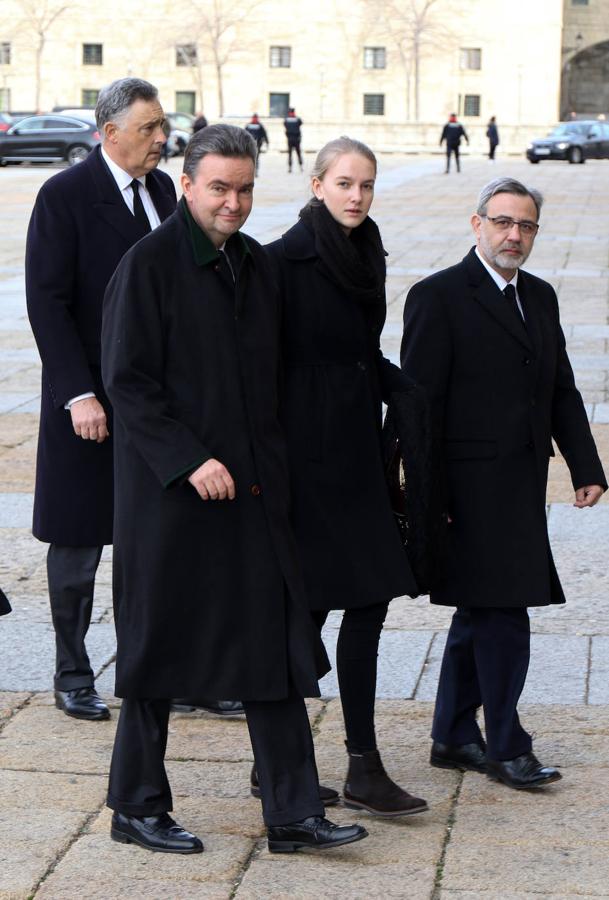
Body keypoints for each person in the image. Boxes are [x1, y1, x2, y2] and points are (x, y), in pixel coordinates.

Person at [101, 124, 368, 855]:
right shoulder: (148, 264)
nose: (233, 203)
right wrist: (189, 460)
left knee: (273, 649)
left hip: (253, 499)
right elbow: (126, 382)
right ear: (186, 184)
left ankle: (291, 814)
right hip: (172, 505)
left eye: (245, 189)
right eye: (219, 187)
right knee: (159, 653)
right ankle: (135, 805)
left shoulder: (254, 264)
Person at [401, 177, 606, 790]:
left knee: (481, 613)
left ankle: (454, 734)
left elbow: (560, 387)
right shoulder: (437, 296)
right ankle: (506, 746)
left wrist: (586, 466)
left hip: (519, 487)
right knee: (505, 617)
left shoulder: (539, 296)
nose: (513, 235)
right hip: (465, 493)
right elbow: (420, 408)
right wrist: (426, 500)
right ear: (477, 224)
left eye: (526, 226)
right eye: (503, 223)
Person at [265, 136, 428, 817]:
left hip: (358, 458)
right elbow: (264, 370)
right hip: (307, 468)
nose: (356, 195)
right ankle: (278, 763)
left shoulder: (366, 252)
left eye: (365, 183)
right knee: (303, 617)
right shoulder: (281, 261)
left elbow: (359, 353)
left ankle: (362, 765)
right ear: (316, 183)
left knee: (366, 603)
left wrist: (412, 391)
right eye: (343, 183)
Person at [25, 78, 176, 722]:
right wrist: (78, 394)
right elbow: (47, 302)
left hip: (153, 401)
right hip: (86, 401)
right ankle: (72, 670)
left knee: (157, 542)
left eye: (162, 126)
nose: (161, 139)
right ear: (110, 132)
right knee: (79, 543)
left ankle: (164, 669)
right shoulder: (63, 195)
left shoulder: (165, 191)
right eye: (149, 128)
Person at [284, 107, 303, 172]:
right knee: (290, 154)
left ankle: (300, 166)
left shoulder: (288, 119)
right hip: (291, 138)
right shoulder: (296, 119)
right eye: (291, 112)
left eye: (292, 112)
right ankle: (290, 167)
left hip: (295, 138)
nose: (291, 113)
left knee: (298, 153)